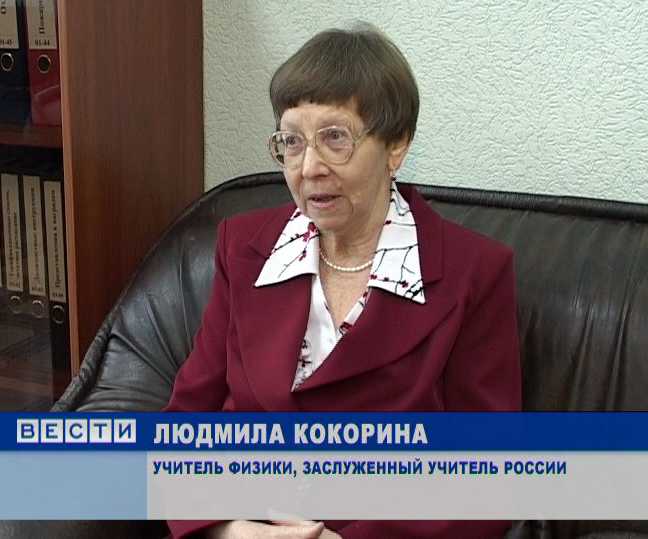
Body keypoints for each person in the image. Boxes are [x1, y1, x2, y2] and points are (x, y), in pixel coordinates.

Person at [165, 24, 521, 539]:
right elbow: (186, 422)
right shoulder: (241, 249)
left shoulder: (475, 272)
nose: (309, 168)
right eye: (292, 141)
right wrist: (228, 529)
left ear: (396, 145)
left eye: (335, 138)